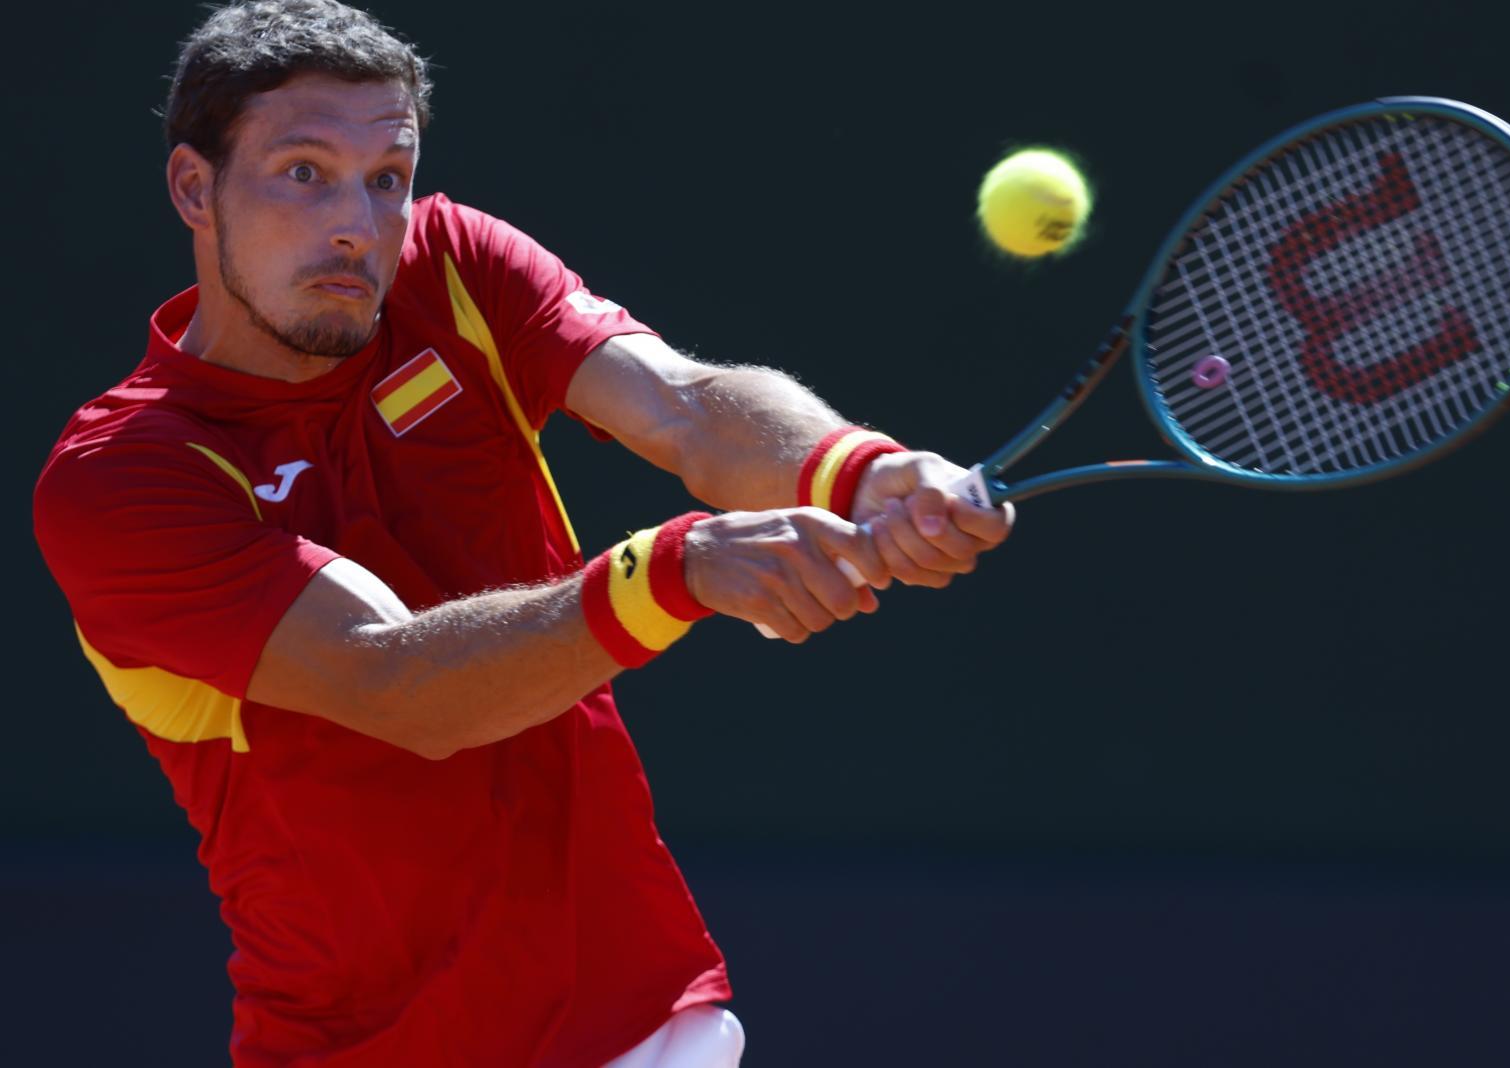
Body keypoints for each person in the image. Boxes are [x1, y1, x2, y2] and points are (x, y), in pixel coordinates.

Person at [31, 1, 1013, 1064]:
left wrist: (857, 470)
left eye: (388, 177)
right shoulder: (122, 477)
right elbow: (397, 685)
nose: (357, 223)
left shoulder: (450, 267)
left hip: (636, 1021)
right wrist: (675, 571)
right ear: (195, 188)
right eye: (303, 172)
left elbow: (684, 403)